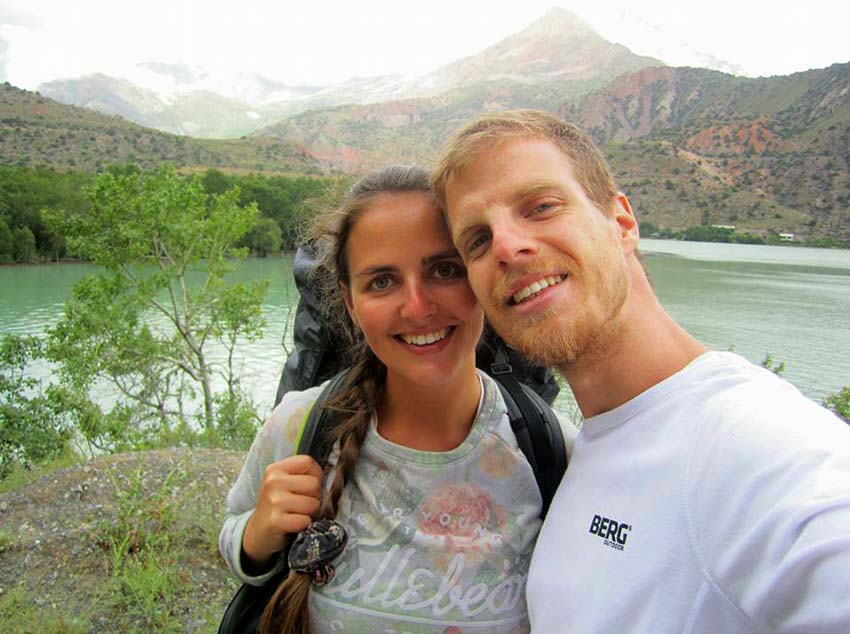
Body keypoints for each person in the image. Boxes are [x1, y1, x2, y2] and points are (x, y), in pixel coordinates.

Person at [432, 109, 850, 633]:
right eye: (477, 240)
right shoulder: (588, 445)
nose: (506, 247)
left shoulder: (762, 445)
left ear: (622, 223)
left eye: (540, 207)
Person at [219, 164, 576, 634]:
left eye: (444, 270)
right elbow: (235, 538)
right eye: (382, 282)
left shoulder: (551, 450)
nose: (418, 307)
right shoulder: (300, 424)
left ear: (480, 275)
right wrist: (257, 534)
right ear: (350, 302)